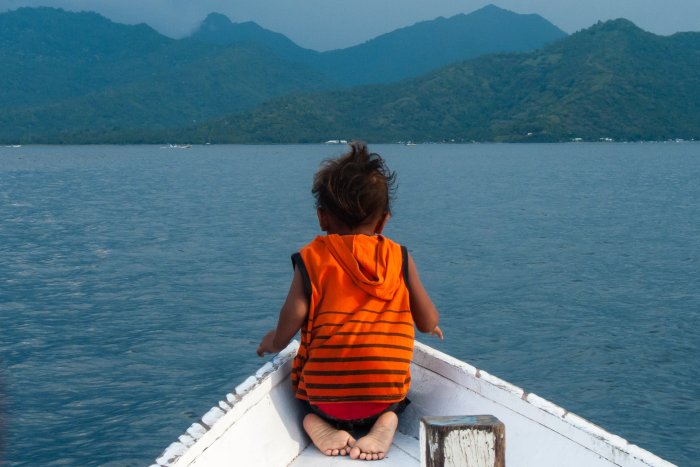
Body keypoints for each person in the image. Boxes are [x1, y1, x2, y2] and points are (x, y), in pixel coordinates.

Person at [257, 141, 442, 461]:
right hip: (383, 399)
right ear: (383, 221)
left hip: (325, 401)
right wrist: (434, 325)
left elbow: (291, 322)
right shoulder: (400, 258)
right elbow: (426, 322)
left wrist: (274, 341)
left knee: (301, 392)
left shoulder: (311, 259)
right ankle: (387, 420)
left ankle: (316, 422)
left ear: (322, 217)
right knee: (397, 393)